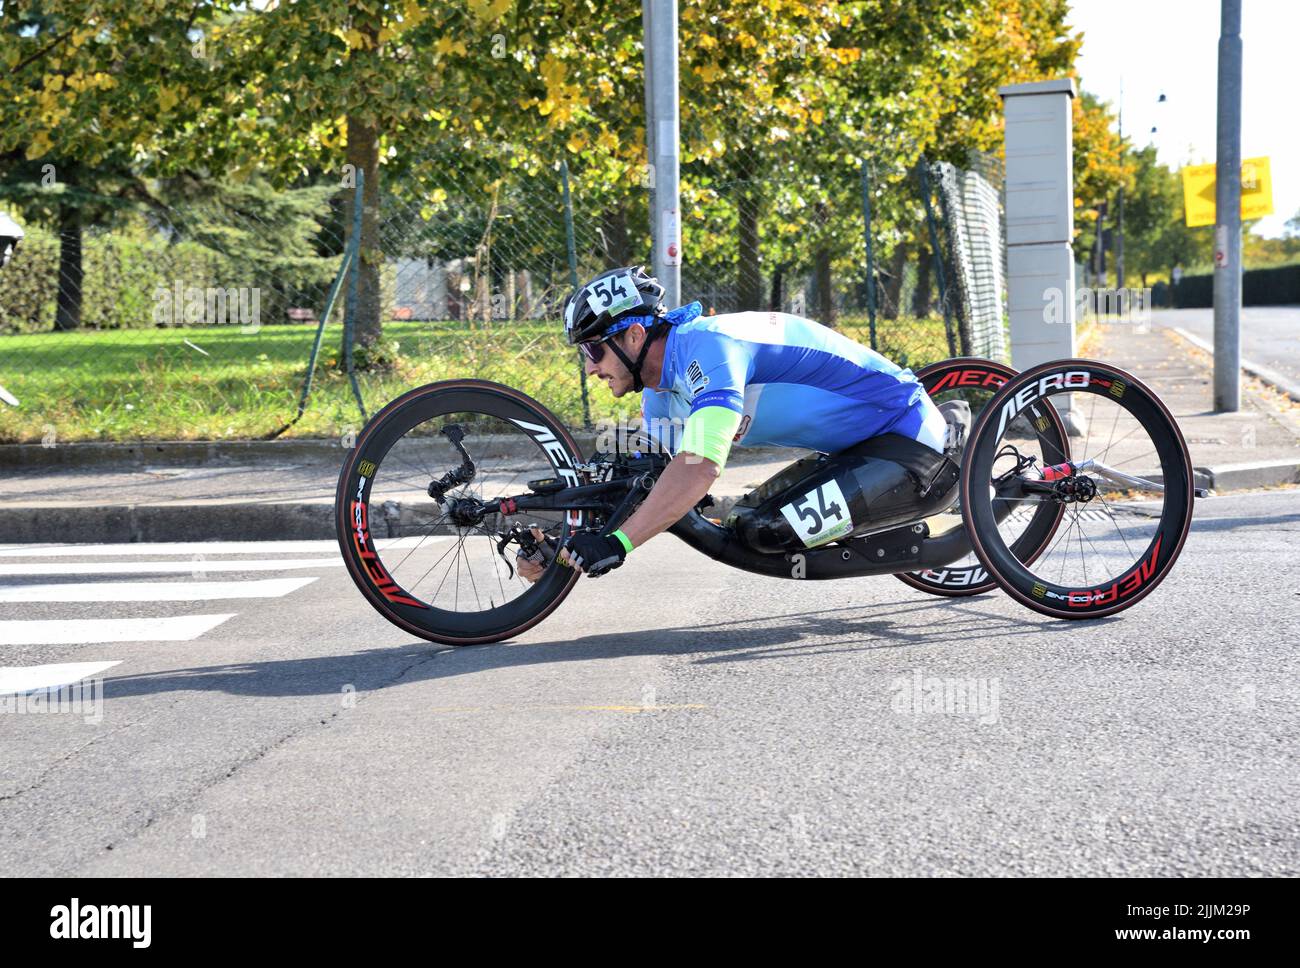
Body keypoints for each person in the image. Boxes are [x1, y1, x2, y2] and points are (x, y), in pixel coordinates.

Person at [517, 264, 949, 581]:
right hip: (852, 454)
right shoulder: (659, 395)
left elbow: (700, 467)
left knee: (767, 531)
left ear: (633, 335)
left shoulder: (708, 347)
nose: (590, 369)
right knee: (743, 522)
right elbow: (656, 487)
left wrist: (617, 544)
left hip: (908, 438)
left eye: (593, 351)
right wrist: (562, 546)